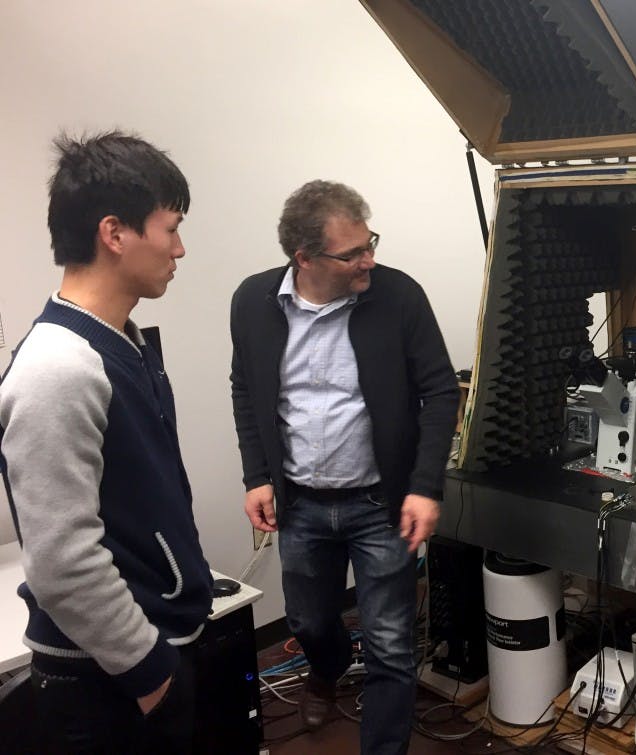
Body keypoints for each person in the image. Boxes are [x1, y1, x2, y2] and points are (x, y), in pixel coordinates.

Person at [0, 131, 213, 752]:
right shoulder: (59, 369)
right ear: (114, 233)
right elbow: (62, 561)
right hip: (107, 676)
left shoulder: (122, 344)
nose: (180, 248)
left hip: (145, 649)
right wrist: (150, 675)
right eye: (170, 228)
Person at [230, 180, 458, 754]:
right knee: (307, 622)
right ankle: (326, 669)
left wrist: (425, 486)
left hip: (381, 504)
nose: (369, 260)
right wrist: (257, 474)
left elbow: (440, 391)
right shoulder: (253, 302)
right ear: (304, 258)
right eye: (352, 252)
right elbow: (245, 390)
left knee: (390, 645)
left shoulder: (398, 296)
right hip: (300, 503)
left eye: (369, 243)